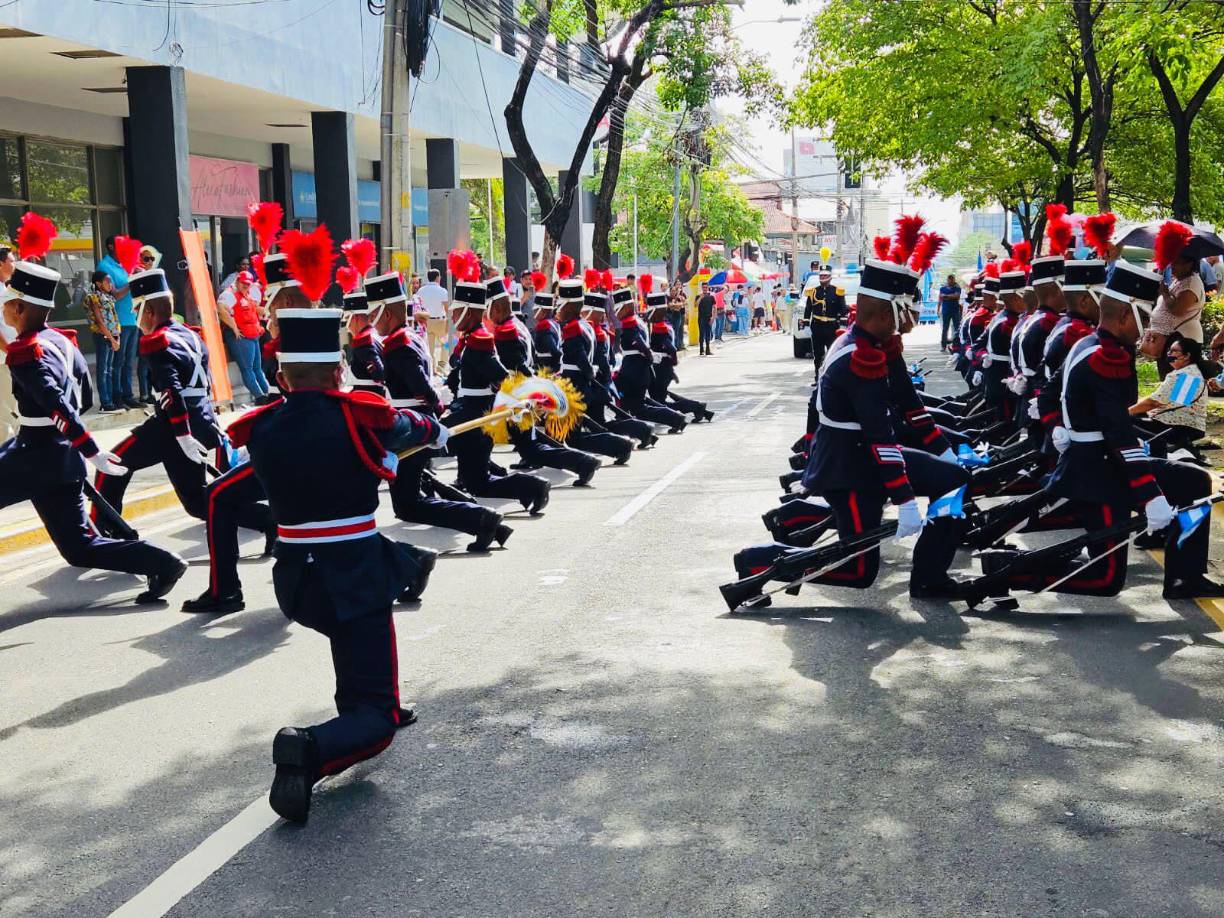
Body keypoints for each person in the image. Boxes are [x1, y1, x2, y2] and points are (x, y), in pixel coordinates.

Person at [227, 307, 442, 824]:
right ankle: (312, 746)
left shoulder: (261, 428)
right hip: (354, 574)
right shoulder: (358, 414)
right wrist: (435, 430)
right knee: (380, 719)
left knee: (360, 682)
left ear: (280, 377)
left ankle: (335, 736)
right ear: (338, 371)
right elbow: (413, 427)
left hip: (297, 582)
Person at [0, 235, 186, 602]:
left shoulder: (25, 351)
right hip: (59, 457)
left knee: (82, 545)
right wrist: (77, 445)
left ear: (21, 309)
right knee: (80, 547)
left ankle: (161, 561)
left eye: (9, 304)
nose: (5, 310)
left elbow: (57, 403)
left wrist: (90, 449)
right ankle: (162, 561)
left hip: (37, 454)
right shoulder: (63, 342)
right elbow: (83, 397)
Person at [1130, 334, 1209, 456]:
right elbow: (1173, 403)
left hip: (1179, 426)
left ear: (1186, 356)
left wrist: (1126, 412)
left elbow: (1154, 402)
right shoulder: (1191, 373)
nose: (1169, 354)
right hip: (1186, 426)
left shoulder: (1186, 376)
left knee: (1125, 422)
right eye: (1169, 350)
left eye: (1174, 351)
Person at [97, 235, 141, 409]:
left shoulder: (124, 265)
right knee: (118, 362)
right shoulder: (104, 266)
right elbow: (113, 294)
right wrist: (132, 282)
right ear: (110, 247)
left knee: (128, 361)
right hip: (117, 322)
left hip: (131, 319)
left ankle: (128, 394)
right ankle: (117, 396)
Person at [217, 270, 271, 404]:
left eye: (248, 284)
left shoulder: (247, 294)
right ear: (237, 281)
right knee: (248, 369)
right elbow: (220, 309)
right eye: (243, 284)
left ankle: (269, 394)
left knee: (257, 369)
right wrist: (234, 327)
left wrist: (267, 313)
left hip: (253, 335)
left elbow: (253, 308)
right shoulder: (230, 294)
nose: (246, 286)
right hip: (242, 337)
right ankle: (260, 397)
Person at [84, 270, 122, 413]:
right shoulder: (93, 297)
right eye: (107, 281)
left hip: (112, 336)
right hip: (103, 336)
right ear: (98, 284)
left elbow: (113, 318)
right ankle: (105, 403)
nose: (110, 284)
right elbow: (100, 322)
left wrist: (116, 337)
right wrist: (112, 339)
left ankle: (111, 399)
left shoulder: (108, 297)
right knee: (103, 370)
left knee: (109, 369)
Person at [804, 267, 847, 374]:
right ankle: (817, 377)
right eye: (821, 276)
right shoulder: (813, 292)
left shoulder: (837, 291)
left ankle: (830, 376)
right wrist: (806, 325)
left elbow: (843, 310)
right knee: (818, 355)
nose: (822, 278)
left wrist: (842, 325)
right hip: (817, 326)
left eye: (824, 276)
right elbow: (808, 308)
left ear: (829, 277)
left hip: (832, 327)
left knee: (832, 353)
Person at [416, 268, 450, 366]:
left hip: (426, 321)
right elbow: (447, 309)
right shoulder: (442, 291)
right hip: (440, 321)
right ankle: (442, 365)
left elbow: (419, 306)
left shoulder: (421, 291)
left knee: (429, 346)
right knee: (445, 344)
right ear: (437, 277)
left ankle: (432, 367)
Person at [938, 274, 962, 351]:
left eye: (952, 279)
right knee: (945, 328)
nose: (951, 280)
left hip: (955, 310)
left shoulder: (957, 287)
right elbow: (941, 297)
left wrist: (946, 296)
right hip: (946, 310)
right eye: (949, 279)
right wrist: (951, 296)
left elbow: (957, 296)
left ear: (954, 279)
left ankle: (957, 345)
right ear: (947, 279)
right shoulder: (942, 288)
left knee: (957, 328)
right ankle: (943, 345)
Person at [697, 282, 716, 355]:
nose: (705, 288)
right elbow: (695, 305)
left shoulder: (711, 297)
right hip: (701, 317)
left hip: (709, 317)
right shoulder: (698, 295)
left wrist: (713, 318)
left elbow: (714, 307)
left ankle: (708, 349)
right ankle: (701, 349)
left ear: (708, 287)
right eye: (703, 287)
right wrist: (700, 298)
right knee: (701, 333)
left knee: (708, 334)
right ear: (702, 288)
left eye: (706, 287)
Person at [667, 281, 687, 349]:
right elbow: (670, 305)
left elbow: (681, 306)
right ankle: (673, 345)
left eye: (674, 291)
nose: (673, 292)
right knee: (671, 331)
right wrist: (675, 305)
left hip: (678, 316)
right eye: (672, 291)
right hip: (670, 316)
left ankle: (677, 345)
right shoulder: (668, 298)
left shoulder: (680, 296)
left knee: (677, 330)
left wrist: (675, 305)